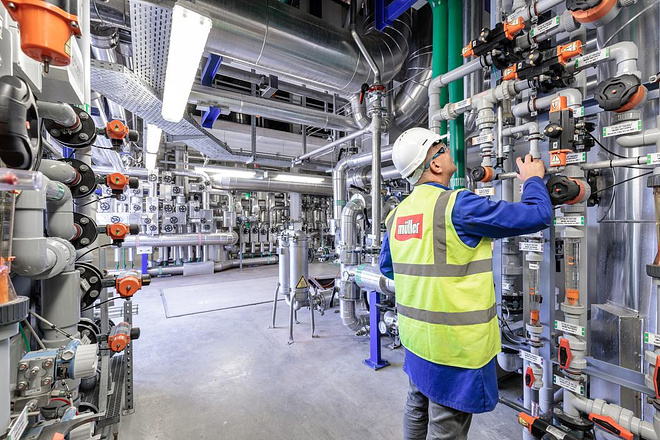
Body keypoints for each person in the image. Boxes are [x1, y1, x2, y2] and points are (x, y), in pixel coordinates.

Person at [380, 127, 552, 440]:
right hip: (454, 349)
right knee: (446, 427)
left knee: (416, 405)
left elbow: (389, 268)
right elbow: (537, 214)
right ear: (434, 164)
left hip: (416, 340)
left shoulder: (397, 215)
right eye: (442, 148)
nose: (449, 151)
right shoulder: (457, 206)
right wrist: (532, 180)